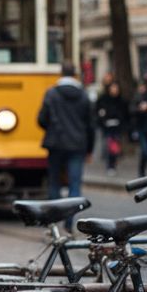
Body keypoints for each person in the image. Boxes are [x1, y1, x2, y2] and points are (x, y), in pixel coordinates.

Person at [37, 61, 95, 209]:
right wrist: (90, 149)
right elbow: (90, 125)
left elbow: (42, 119)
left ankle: (55, 219)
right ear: (75, 73)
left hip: (55, 143)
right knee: (74, 183)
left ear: (61, 72)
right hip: (77, 145)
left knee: (54, 182)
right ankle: (70, 222)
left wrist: (51, 129)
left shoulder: (51, 93)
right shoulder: (83, 95)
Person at [95, 80, 129, 174]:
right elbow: (98, 111)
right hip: (107, 127)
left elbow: (125, 114)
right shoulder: (104, 99)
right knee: (110, 145)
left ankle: (112, 164)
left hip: (117, 127)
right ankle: (110, 165)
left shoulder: (122, 101)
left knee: (114, 146)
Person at [131, 77, 147, 177]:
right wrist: (141, 108)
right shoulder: (140, 95)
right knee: (145, 152)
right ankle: (141, 172)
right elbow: (132, 109)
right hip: (142, 128)